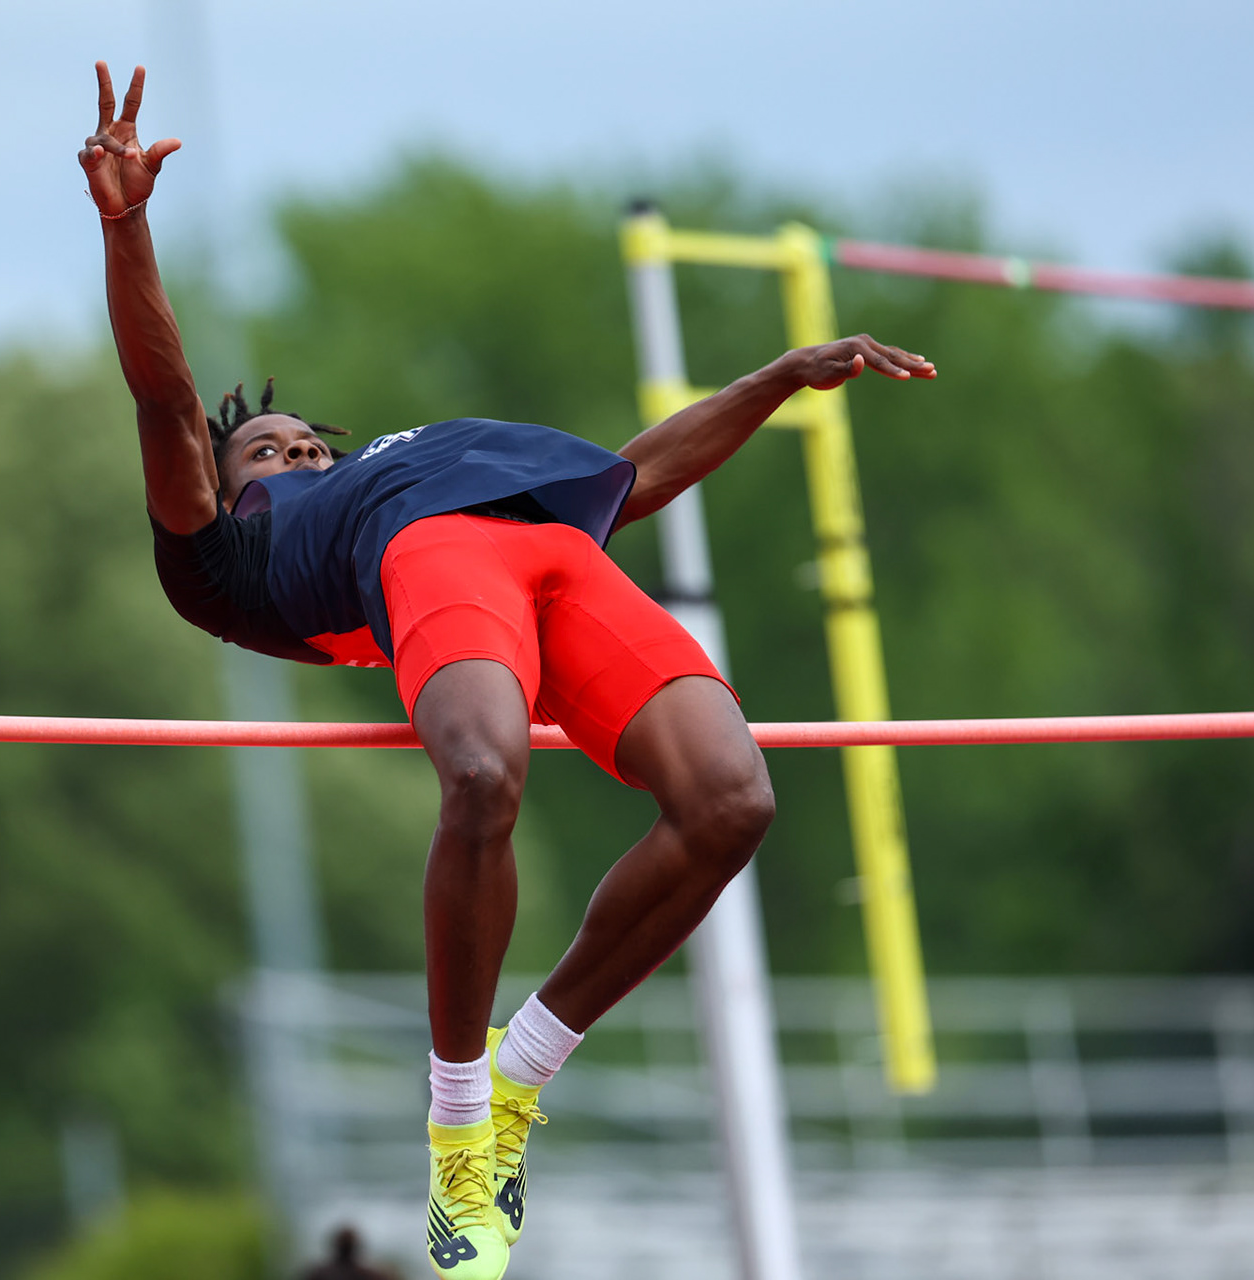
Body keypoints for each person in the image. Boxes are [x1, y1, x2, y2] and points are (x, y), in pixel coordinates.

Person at [79, 61, 934, 1280]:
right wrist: (127, 227)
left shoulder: (419, 456)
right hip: (433, 566)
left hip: (557, 554)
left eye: (314, 432)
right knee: (482, 777)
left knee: (732, 799)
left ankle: (522, 1072)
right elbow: (165, 396)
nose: (305, 443)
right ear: (225, 483)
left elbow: (628, 480)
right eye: (272, 446)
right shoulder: (222, 550)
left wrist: (776, 377)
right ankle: (459, 1120)